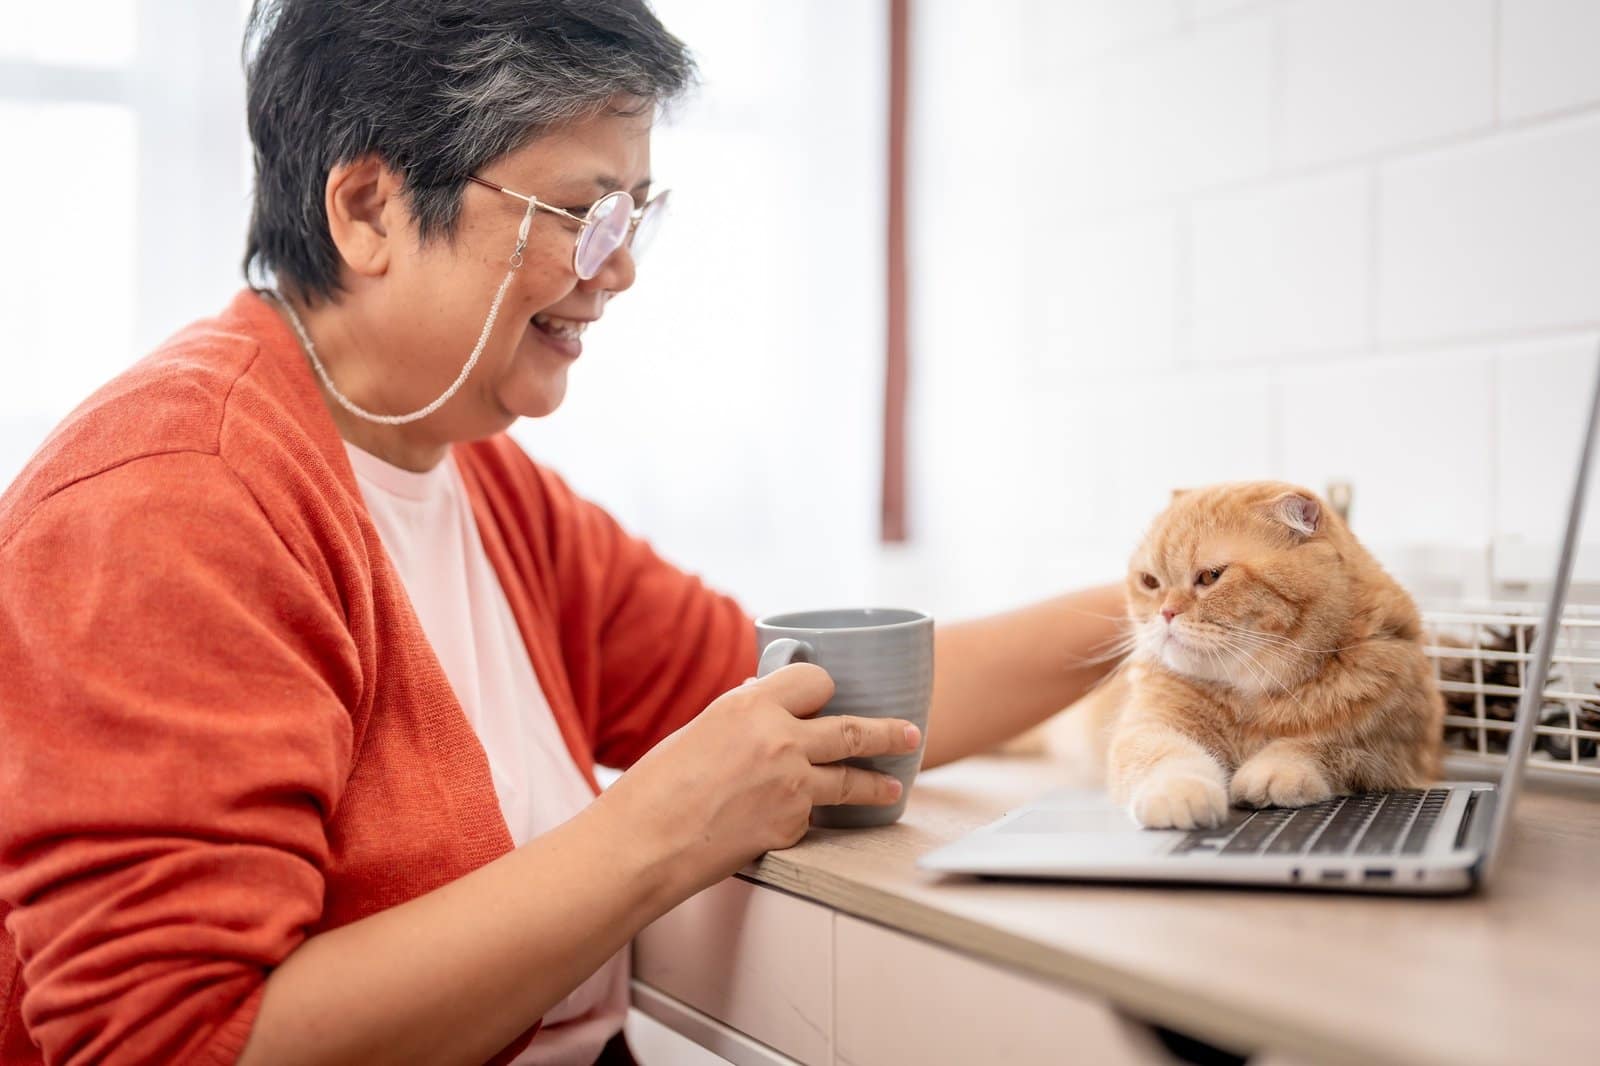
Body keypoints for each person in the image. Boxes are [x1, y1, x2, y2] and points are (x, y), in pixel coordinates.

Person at [0, 2, 1123, 1063]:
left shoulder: (478, 476)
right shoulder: (166, 502)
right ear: (367, 209)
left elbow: (820, 699)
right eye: (582, 214)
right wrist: (652, 835)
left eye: (635, 214)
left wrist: (1172, 599)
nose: (621, 267)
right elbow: (185, 1041)